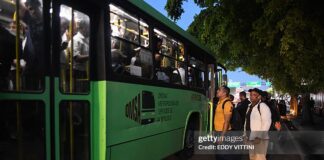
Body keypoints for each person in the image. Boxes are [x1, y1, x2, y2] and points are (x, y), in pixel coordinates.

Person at [21, 0, 44, 90]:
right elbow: (21, 7)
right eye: (30, 9)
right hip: (31, 63)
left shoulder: (51, 22)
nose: (33, 11)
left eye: (35, 8)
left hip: (44, 63)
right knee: (30, 91)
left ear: (40, 6)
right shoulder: (31, 21)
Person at [244, 88, 272, 160]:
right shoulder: (249, 106)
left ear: (259, 97)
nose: (251, 96)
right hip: (251, 137)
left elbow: (267, 123)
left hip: (259, 139)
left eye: (254, 95)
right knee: (252, 157)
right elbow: (246, 122)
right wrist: (245, 135)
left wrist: (259, 137)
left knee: (260, 158)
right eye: (250, 95)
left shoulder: (262, 106)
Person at [214, 86, 233, 160]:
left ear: (224, 93)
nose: (217, 91)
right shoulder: (220, 101)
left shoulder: (227, 103)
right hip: (217, 131)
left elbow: (227, 121)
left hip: (223, 132)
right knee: (218, 154)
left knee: (222, 155)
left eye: (219, 90)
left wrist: (222, 136)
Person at [72, 18, 89, 92]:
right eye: (88, 27)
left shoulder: (87, 39)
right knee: (79, 92)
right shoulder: (76, 39)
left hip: (86, 70)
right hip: (78, 71)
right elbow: (77, 58)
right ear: (83, 28)